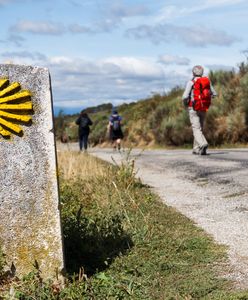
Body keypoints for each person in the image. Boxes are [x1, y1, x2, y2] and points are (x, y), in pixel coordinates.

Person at [182, 65, 217, 155]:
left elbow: (185, 96)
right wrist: (206, 98)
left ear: (193, 72)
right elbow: (214, 94)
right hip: (203, 108)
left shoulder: (191, 82)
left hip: (193, 108)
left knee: (196, 129)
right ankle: (196, 149)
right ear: (202, 72)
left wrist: (186, 104)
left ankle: (202, 144)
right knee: (199, 129)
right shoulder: (207, 81)